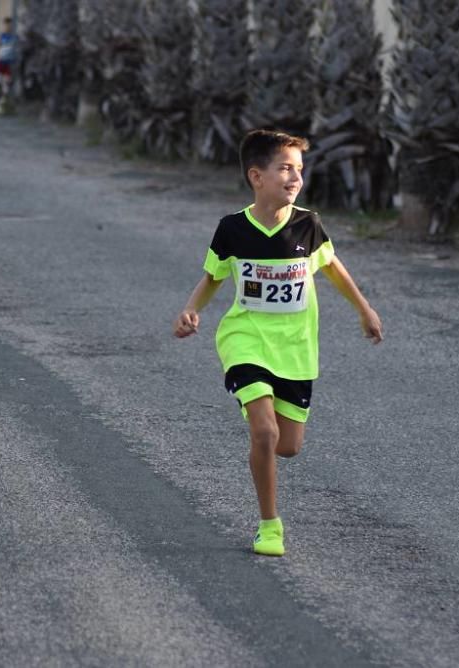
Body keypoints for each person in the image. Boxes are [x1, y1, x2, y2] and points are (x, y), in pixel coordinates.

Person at [173, 129, 384, 557]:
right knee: (265, 432)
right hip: (245, 339)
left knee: (288, 445)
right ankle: (270, 526)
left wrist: (364, 309)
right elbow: (214, 275)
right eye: (285, 168)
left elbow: (332, 267)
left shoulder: (309, 223)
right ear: (257, 176)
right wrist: (191, 309)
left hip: (295, 348)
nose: (295, 178)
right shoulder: (232, 228)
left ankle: (263, 439)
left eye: (299, 170)